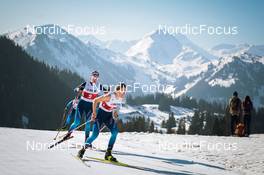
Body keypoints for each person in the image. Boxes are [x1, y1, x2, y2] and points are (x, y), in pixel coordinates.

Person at [77, 83, 127, 162]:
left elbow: (115, 107)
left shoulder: (122, 98)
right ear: (117, 90)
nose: (123, 93)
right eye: (122, 91)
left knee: (115, 132)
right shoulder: (109, 96)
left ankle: (108, 154)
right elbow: (95, 100)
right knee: (94, 135)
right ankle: (82, 150)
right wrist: (94, 113)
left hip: (108, 117)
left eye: (124, 91)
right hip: (100, 116)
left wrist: (115, 113)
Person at [63, 71, 102, 141]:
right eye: (94, 76)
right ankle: (68, 134)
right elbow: (76, 89)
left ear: (98, 78)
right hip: (81, 104)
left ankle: (86, 140)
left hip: (90, 106)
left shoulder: (99, 86)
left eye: (96, 77)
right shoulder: (85, 83)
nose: (95, 78)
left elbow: (108, 92)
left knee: (88, 124)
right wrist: (78, 89)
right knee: (77, 122)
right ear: (91, 76)